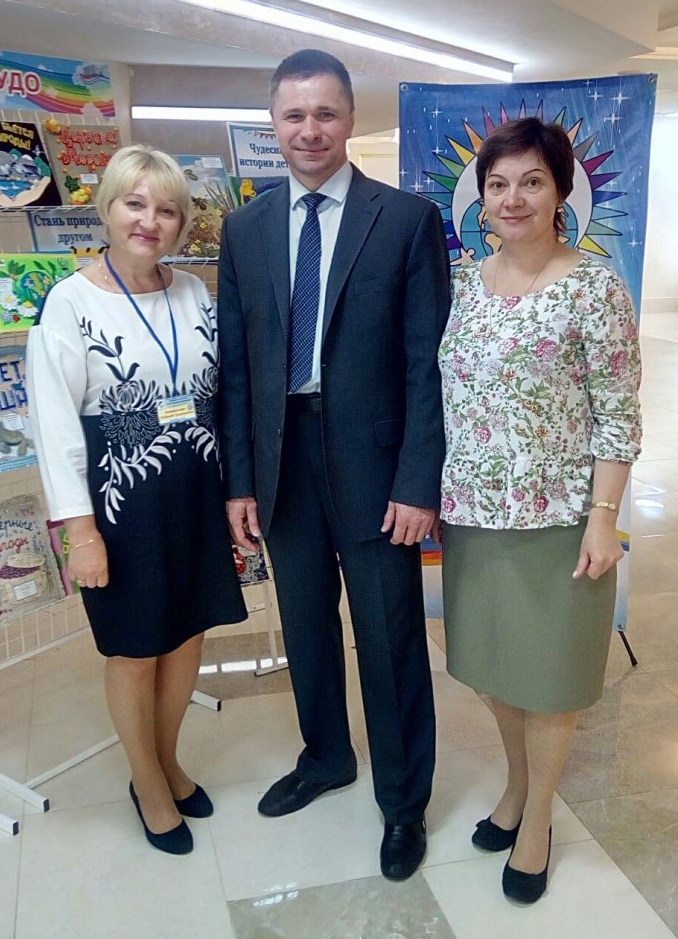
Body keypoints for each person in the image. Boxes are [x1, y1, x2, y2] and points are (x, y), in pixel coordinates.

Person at [218, 49, 449, 881]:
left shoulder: (406, 220)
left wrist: (417, 482)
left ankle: (403, 804)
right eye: (293, 115)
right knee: (306, 625)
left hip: (376, 468)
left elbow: (428, 364)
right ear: (273, 124)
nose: (309, 129)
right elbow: (236, 368)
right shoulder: (244, 229)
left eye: (324, 113)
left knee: (388, 637)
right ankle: (324, 757)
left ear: (349, 118)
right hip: (280, 463)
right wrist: (238, 481)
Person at [438, 117, 642, 903]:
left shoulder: (594, 287)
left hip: (560, 518)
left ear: (560, 192)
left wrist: (603, 516)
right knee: (492, 669)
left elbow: (616, 414)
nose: (511, 198)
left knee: (549, 679)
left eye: (530, 182)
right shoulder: (459, 285)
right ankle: (518, 786)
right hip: (473, 512)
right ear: (480, 198)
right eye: (496, 184)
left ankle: (535, 826)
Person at [27, 144, 247, 855]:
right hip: (122, 502)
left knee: (187, 637)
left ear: (182, 223)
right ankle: (146, 781)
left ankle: (169, 760)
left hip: (194, 489)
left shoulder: (193, 293)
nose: (150, 221)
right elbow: (55, 425)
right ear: (108, 208)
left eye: (167, 210)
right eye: (135, 203)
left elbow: (217, 392)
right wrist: (80, 532)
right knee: (134, 649)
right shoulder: (69, 302)